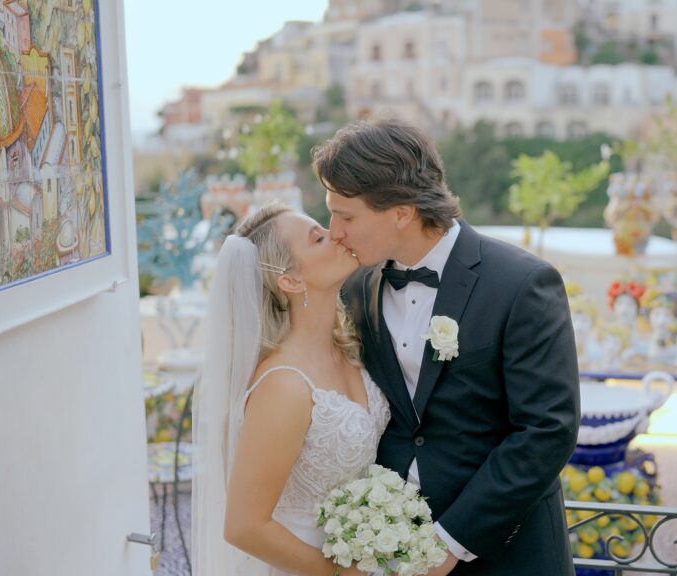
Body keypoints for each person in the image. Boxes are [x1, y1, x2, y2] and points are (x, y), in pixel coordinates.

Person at [314, 118, 580, 576]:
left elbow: (546, 430)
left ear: (401, 211)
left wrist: (451, 542)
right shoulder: (356, 287)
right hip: (390, 552)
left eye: (346, 215)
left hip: (509, 550)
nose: (334, 230)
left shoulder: (523, 284)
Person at [192, 204, 388, 576]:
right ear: (291, 280)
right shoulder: (284, 384)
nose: (335, 234)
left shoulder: (350, 347)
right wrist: (338, 573)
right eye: (317, 238)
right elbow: (243, 527)